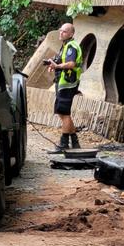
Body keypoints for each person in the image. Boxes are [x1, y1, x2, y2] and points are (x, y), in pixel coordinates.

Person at [45, 23, 82, 153]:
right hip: (64, 83)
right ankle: (74, 141)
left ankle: (64, 144)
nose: (61, 33)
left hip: (68, 84)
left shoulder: (72, 46)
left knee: (64, 113)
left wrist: (58, 67)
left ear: (71, 34)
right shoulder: (65, 46)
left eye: (65, 31)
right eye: (60, 31)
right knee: (63, 113)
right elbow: (62, 61)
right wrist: (54, 64)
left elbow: (71, 64)